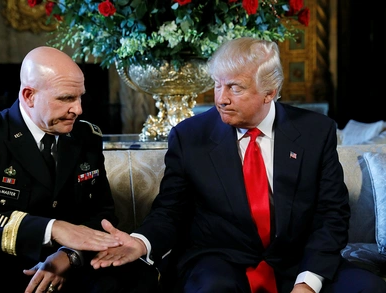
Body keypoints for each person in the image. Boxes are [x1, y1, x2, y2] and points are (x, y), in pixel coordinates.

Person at [90, 37, 386, 293]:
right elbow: (170, 211)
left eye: (235, 88)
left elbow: (331, 214)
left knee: (367, 286)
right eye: (218, 85)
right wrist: (141, 242)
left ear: (270, 92)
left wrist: (308, 281)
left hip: (299, 260)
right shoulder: (190, 136)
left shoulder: (315, 132)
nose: (221, 99)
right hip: (221, 260)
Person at [0, 46, 158, 293]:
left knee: (135, 277)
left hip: (65, 259)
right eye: (66, 98)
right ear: (29, 95)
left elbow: (102, 213)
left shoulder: (85, 135)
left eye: (80, 97)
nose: (78, 109)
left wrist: (70, 256)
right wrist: (52, 228)